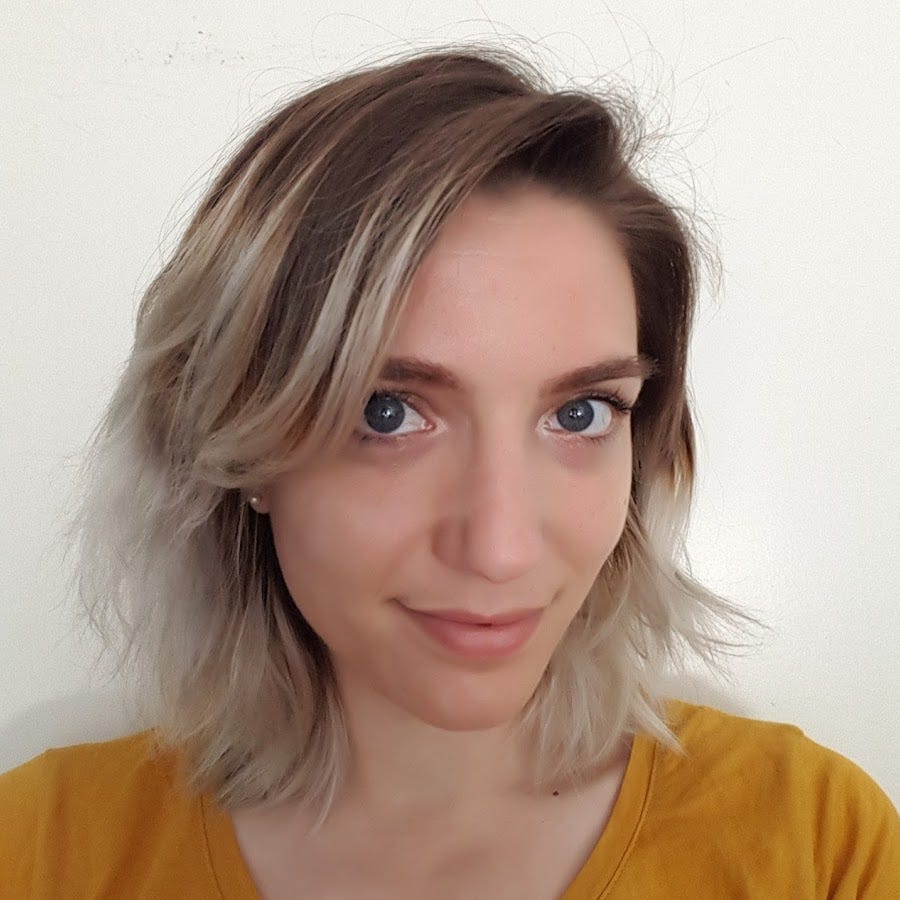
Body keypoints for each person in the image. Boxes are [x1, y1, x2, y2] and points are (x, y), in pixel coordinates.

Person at [0, 44, 896, 899]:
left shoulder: (817, 844)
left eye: (581, 413)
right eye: (385, 413)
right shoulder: (40, 849)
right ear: (239, 449)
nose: (502, 549)